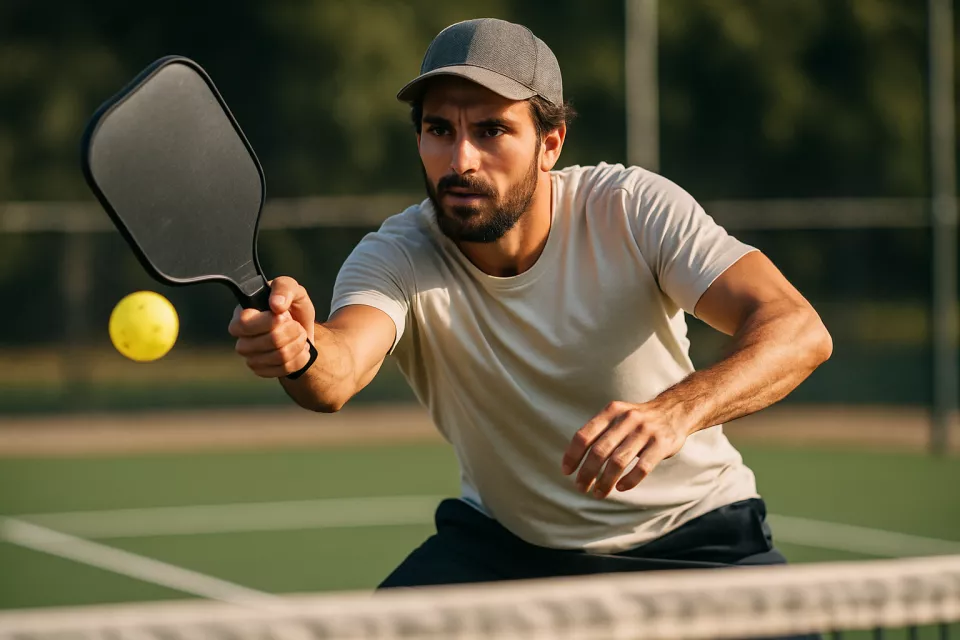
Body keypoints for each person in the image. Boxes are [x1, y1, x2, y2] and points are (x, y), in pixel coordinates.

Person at [228, 18, 833, 589]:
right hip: (508, 548)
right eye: (440, 130)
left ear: (550, 144)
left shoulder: (630, 208)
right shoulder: (395, 255)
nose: (461, 159)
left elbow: (799, 330)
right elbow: (336, 372)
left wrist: (676, 412)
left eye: (491, 130)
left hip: (697, 540)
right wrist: (299, 348)